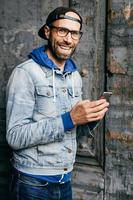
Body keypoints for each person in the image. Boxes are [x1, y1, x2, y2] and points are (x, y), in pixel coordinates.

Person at [6, 6, 109, 200]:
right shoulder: (25, 73)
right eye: (62, 31)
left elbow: (71, 132)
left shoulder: (74, 77)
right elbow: (14, 137)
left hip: (65, 181)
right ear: (47, 32)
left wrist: (89, 119)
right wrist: (69, 118)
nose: (68, 39)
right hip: (31, 183)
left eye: (75, 33)